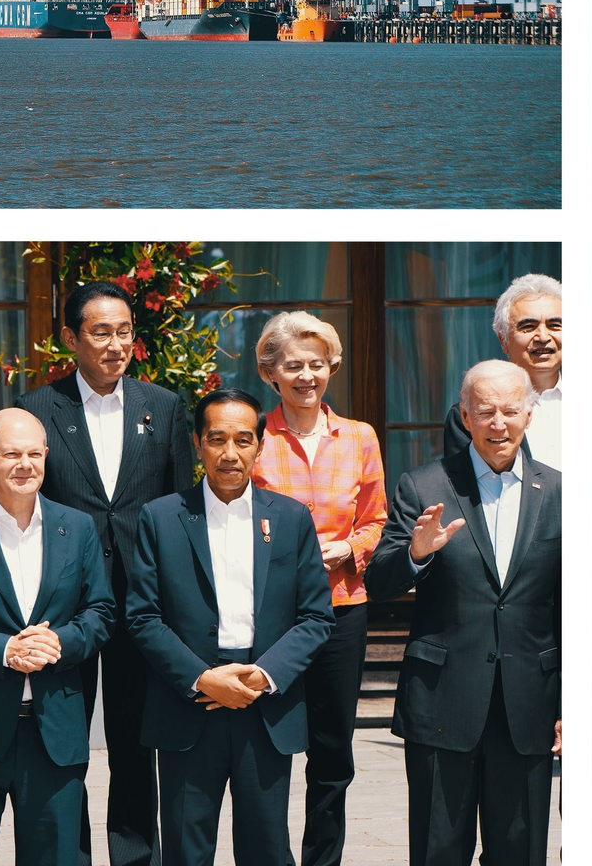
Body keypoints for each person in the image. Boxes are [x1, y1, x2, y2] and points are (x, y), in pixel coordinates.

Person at [14, 279, 195, 866]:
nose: (115, 344)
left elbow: (180, 507)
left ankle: (135, 856)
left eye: (124, 332)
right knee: (63, 739)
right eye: (100, 332)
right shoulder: (38, 410)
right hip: (65, 603)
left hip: (143, 600)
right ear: (71, 338)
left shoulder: (163, 406)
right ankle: (69, 854)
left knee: (134, 741)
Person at [126, 388, 334, 866]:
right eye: (217, 439)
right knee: (185, 849)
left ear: (260, 446)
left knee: (266, 850)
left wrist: (263, 675)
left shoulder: (290, 518)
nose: (230, 453)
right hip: (190, 703)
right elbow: (142, 616)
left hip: (264, 704)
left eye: (243, 440)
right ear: (198, 444)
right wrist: (202, 678)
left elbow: (316, 616)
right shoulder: (161, 518)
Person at [365, 360, 561, 866]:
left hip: (528, 705)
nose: (499, 423)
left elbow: (561, 602)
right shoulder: (423, 485)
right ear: (465, 416)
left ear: (529, 415)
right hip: (441, 701)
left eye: (510, 411)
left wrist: (566, 702)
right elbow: (378, 583)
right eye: (486, 411)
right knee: (437, 851)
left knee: (520, 852)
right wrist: (416, 552)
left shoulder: (561, 491)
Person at [0, 409, 114, 866]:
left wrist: (60, 643)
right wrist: (5, 650)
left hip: (54, 731)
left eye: (34, 453)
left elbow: (101, 611)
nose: (25, 464)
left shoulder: (76, 528)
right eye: (11, 453)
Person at [249, 312, 388, 866]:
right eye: (292, 365)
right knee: (269, 743)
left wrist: (349, 549)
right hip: (271, 613)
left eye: (316, 363)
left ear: (331, 367)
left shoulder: (359, 437)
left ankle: (321, 859)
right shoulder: (254, 434)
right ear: (271, 374)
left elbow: (377, 520)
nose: (306, 375)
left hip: (340, 610)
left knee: (332, 750)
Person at [443, 273, 562, 470]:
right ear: (503, 340)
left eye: (554, 325)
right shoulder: (470, 416)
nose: (542, 337)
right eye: (528, 327)